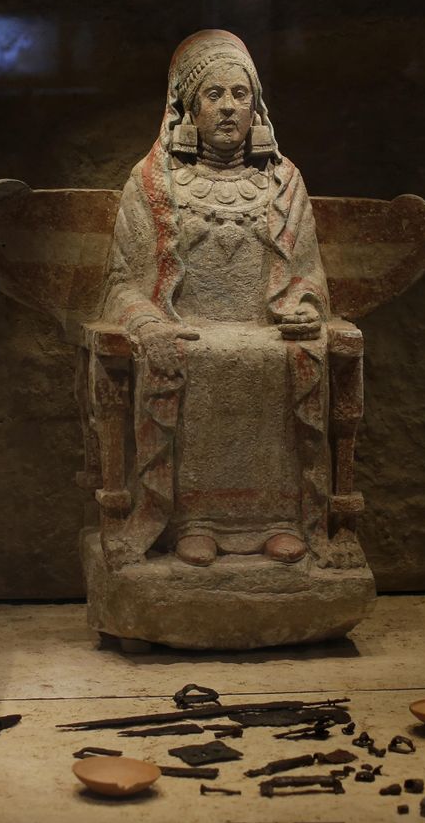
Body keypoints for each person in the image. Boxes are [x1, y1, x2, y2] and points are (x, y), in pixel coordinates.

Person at [98, 29, 330, 568]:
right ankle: (190, 521)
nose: (229, 107)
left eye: (240, 94)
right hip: (185, 330)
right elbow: (120, 280)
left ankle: (276, 521)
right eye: (214, 94)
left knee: (282, 359)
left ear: (257, 105)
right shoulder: (154, 184)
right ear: (186, 107)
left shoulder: (284, 182)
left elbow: (310, 273)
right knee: (193, 359)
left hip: (267, 332)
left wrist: (304, 306)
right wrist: (150, 325)